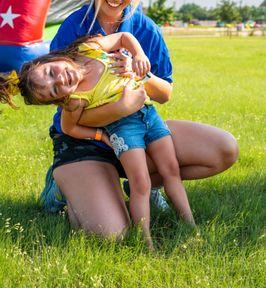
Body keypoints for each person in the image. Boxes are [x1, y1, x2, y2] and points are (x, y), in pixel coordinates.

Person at [3, 0, 238, 240]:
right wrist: (122, 106)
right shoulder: (76, 29)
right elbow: (73, 116)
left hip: (134, 129)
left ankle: (139, 185)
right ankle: (66, 188)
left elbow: (164, 93)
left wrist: (137, 76)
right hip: (86, 141)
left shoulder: (145, 29)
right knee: (111, 234)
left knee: (223, 150)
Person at [0, 32, 195, 249]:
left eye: (51, 71)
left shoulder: (88, 49)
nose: (60, 79)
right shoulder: (75, 99)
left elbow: (123, 37)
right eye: (55, 89)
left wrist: (138, 55)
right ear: (59, 99)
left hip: (149, 114)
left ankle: (190, 227)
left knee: (171, 170)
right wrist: (100, 136)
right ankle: (145, 241)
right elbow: (69, 127)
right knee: (141, 183)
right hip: (124, 129)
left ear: (50, 59)